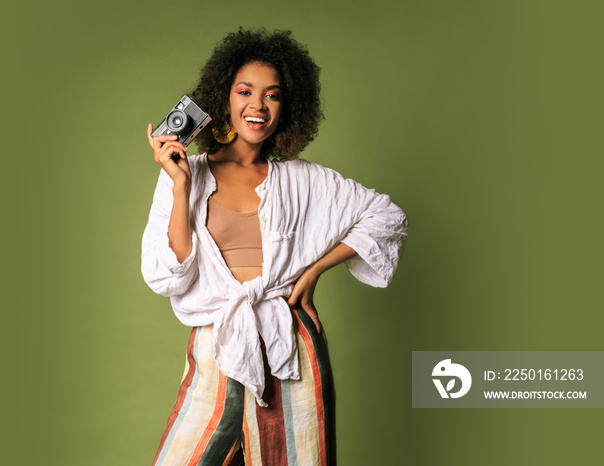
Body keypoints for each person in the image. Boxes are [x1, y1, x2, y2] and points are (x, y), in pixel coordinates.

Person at [142, 29, 407, 466]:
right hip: (219, 341)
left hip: (291, 344)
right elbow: (171, 272)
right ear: (223, 99)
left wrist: (316, 268)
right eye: (245, 91)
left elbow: (386, 216)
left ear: (287, 107)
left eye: (272, 95)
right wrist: (180, 186)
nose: (258, 105)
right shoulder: (185, 173)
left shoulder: (304, 179)